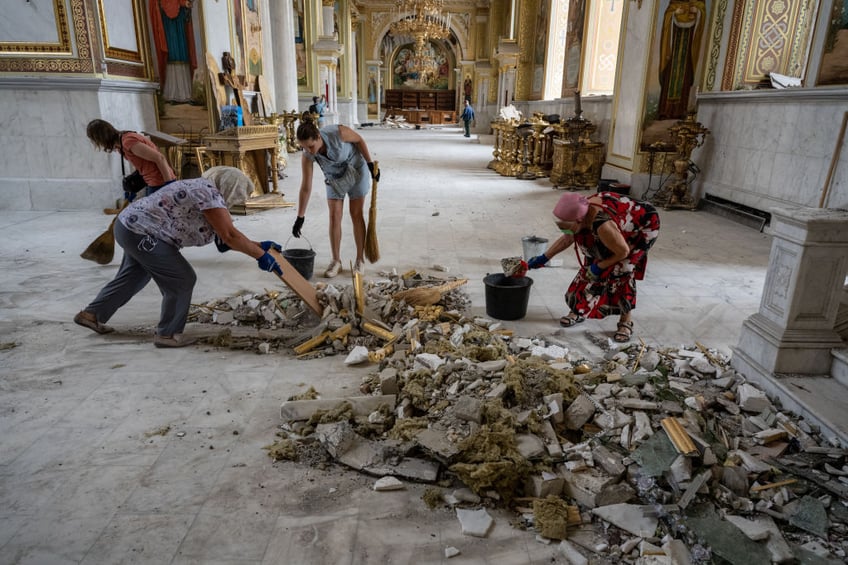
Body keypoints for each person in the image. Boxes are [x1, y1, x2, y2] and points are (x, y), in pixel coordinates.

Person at [73, 174, 284, 348]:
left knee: (133, 277)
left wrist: (257, 245)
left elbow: (223, 238)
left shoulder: (204, 188)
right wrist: (260, 255)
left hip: (129, 226)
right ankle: (168, 334)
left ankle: (91, 314)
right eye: (238, 195)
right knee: (182, 279)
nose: (236, 200)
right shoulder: (208, 195)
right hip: (144, 233)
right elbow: (229, 236)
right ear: (231, 188)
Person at [527, 191, 660, 343]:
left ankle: (625, 321)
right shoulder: (579, 213)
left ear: (579, 220)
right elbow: (568, 237)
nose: (564, 229)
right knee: (590, 260)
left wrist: (601, 266)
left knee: (621, 270)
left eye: (567, 226)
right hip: (612, 219)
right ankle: (578, 310)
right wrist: (544, 258)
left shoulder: (602, 224)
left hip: (643, 225)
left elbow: (623, 252)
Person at [292, 113, 380, 278]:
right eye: (304, 147)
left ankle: (360, 259)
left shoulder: (338, 133)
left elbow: (359, 140)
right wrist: (300, 216)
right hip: (334, 179)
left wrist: (369, 163)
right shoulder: (308, 155)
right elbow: (305, 187)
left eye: (311, 146)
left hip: (356, 171)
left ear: (318, 136)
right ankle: (336, 261)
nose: (309, 151)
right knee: (334, 216)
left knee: (356, 214)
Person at [86, 119, 176, 201]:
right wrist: (133, 186)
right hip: (153, 182)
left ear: (101, 138)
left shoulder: (128, 142)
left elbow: (160, 158)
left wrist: (169, 184)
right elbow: (144, 165)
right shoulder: (121, 143)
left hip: (159, 183)